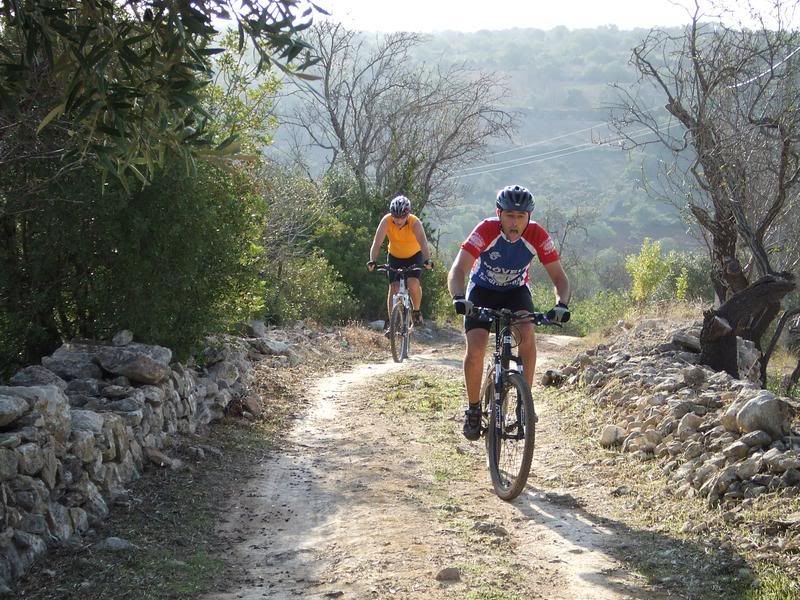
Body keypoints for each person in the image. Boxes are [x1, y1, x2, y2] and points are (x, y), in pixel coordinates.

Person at [447, 184, 571, 441]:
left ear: (529, 217)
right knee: (477, 349)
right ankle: (473, 409)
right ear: (499, 214)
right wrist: (459, 298)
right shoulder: (485, 230)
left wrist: (561, 304)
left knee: (527, 332)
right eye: (510, 216)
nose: (515, 223)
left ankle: (525, 402)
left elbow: (560, 277)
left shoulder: (537, 235)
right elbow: (459, 269)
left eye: (521, 217)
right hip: (481, 290)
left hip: (516, 291)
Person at [367, 195, 433, 331]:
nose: (398, 220)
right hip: (395, 256)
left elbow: (423, 242)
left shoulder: (415, 222)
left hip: (414, 256)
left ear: (407, 214)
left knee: (413, 283)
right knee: (394, 287)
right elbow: (377, 243)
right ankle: (392, 323)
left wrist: (427, 260)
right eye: (395, 216)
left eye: (401, 217)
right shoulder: (386, 221)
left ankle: (416, 311)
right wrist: (372, 260)